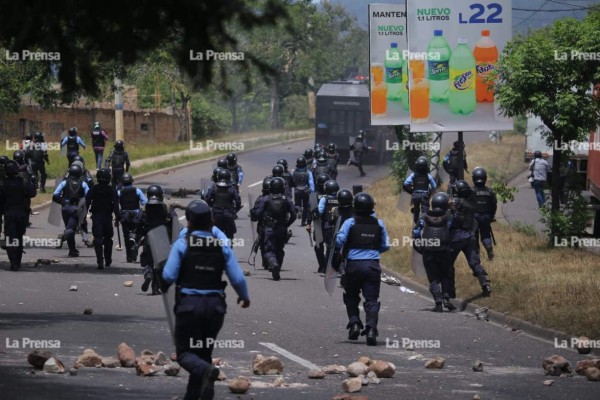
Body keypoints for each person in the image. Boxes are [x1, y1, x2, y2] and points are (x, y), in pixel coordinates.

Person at [161, 199, 250, 400]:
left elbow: (168, 276)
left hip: (189, 306)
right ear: (211, 222)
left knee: (185, 355)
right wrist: (244, 297)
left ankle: (206, 371)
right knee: (202, 353)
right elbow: (237, 277)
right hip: (215, 308)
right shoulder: (222, 246)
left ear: (189, 223)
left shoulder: (182, 244)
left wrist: (163, 284)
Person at [336, 192, 390, 346]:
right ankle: (371, 329)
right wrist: (372, 252)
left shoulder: (349, 223)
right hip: (372, 265)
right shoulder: (379, 223)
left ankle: (354, 323)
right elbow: (385, 245)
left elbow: (339, 242)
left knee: (351, 296)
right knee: (371, 299)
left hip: (353, 265)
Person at [448, 181, 491, 298]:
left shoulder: (454, 203)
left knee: (448, 265)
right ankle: (485, 284)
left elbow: (448, 217)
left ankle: (450, 292)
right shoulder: (471, 202)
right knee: (475, 263)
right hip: (469, 236)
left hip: (455, 238)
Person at [413, 192, 455, 312]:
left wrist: (421, 248)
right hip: (444, 252)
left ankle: (438, 303)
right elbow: (452, 230)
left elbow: (416, 233)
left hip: (428, 252)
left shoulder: (423, 218)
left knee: (433, 279)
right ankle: (446, 298)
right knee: (445, 276)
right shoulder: (449, 217)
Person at [253, 177, 297, 280]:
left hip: (269, 228)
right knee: (279, 249)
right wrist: (287, 224)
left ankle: (274, 264)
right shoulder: (286, 199)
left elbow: (258, 213)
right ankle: (276, 268)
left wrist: (262, 221)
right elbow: (294, 215)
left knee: (269, 250)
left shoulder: (266, 199)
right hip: (282, 228)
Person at [138, 185, 176, 295]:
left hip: (149, 238)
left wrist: (139, 236)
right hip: (162, 238)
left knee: (148, 261)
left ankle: (148, 273)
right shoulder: (167, 208)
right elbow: (174, 220)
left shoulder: (145, 208)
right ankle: (155, 288)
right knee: (160, 265)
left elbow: (138, 222)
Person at [0, 160, 37, 270]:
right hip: (22, 214)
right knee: (19, 238)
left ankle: (13, 262)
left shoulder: (3, 184)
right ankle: (17, 261)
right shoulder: (23, 182)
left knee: (10, 238)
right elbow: (32, 193)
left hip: (9, 214)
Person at [53, 164, 90, 257]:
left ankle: (72, 250)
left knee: (69, 227)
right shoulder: (83, 183)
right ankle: (62, 237)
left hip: (65, 208)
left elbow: (55, 194)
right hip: (75, 209)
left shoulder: (64, 183)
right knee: (71, 230)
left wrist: (62, 202)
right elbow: (89, 195)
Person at [86, 168, 119, 269]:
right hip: (107, 217)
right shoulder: (111, 189)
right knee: (108, 239)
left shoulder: (94, 189)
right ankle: (108, 260)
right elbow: (116, 205)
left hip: (97, 217)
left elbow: (87, 200)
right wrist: (118, 217)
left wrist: (83, 215)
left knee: (98, 239)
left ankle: (100, 260)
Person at [118, 173, 148, 262]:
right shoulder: (137, 191)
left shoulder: (119, 192)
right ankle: (135, 247)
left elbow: (115, 204)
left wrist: (117, 216)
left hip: (124, 216)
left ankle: (129, 256)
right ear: (131, 181)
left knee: (126, 236)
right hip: (136, 216)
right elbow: (145, 202)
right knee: (137, 234)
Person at [205, 169, 241, 239]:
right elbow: (238, 202)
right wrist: (234, 210)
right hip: (229, 214)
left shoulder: (214, 187)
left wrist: (213, 204)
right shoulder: (232, 189)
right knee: (229, 237)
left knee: (216, 236)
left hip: (216, 215)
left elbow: (207, 199)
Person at [471, 167, 497, 260]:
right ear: (485, 178)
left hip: (473, 218)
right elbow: (494, 205)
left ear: (474, 179)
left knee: (473, 236)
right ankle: (489, 247)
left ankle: (476, 255)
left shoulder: (470, 191)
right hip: (486, 217)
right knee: (486, 235)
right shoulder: (490, 192)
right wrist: (491, 216)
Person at [403, 156, 437, 225]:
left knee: (416, 209)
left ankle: (417, 223)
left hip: (415, 195)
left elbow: (405, 184)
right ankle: (423, 223)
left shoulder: (413, 175)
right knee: (425, 210)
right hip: (425, 195)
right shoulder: (428, 175)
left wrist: (411, 191)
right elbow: (434, 186)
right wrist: (430, 191)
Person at [309, 172, 331, 274]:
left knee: (319, 246)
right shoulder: (333, 196)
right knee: (330, 247)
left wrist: (309, 223)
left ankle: (323, 266)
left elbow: (311, 210)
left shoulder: (314, 196)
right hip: (330, 225)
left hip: (318, 225)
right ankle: (327, 266)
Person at [317, 180, 339, 274]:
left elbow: (320, 211)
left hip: (327, 226)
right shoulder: (340, 198)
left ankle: (327, 268)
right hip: (339, 225)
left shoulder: (324, 199)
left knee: (329, 247)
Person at [250, 177, 273, 269]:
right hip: (273, 225)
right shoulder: (280, 199)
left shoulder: (260, 199)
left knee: (263, 244)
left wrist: (253, 214)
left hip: (263, 226)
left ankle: (266, 261)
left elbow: (256, 214)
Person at [292, 156, 315, 226]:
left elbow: (292, 181)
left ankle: (298, 209)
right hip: (305, 190)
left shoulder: (294, 172)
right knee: (306, 206)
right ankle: (303, 221)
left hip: (297, 191)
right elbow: (311, 183)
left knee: (297, 204)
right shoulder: (308, 172)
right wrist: (312, 192)